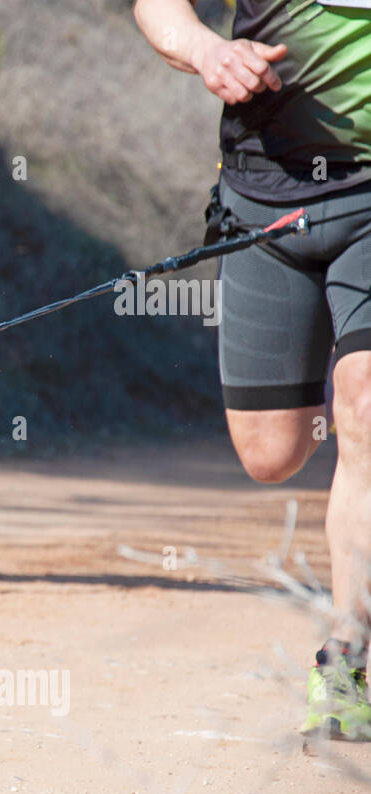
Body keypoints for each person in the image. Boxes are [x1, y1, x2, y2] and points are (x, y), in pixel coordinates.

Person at [134, 0, 371, 738]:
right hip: (262, 197)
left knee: (363, 404)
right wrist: (206, 50)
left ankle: (349, 655)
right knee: (270, 453)